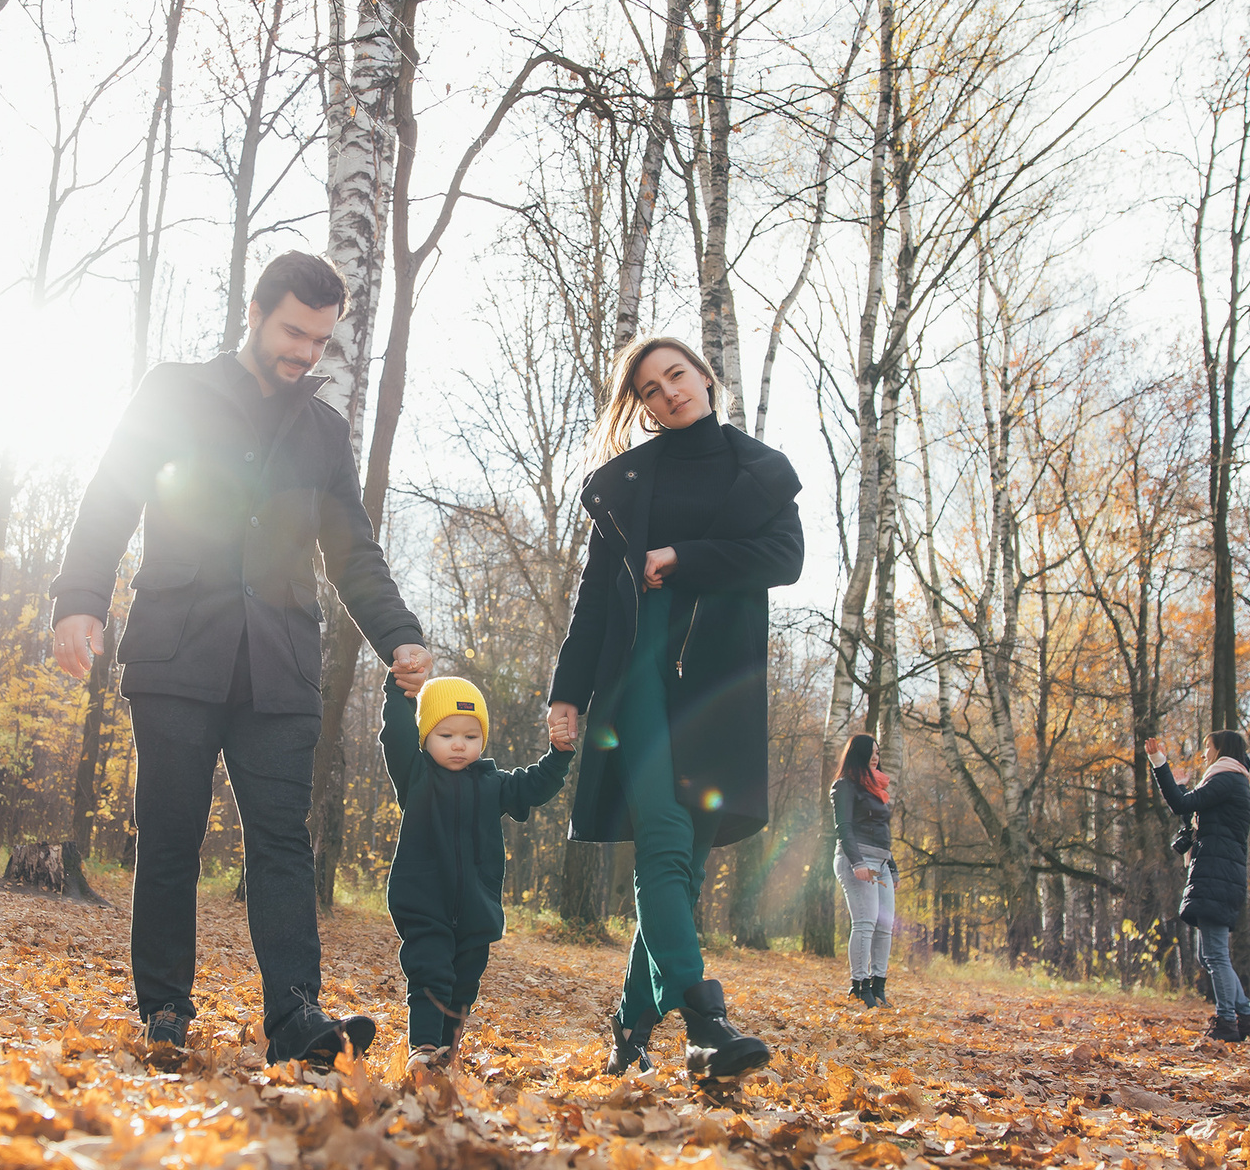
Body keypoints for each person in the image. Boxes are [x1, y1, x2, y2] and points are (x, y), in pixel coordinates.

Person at [51, 251, 434, 1070]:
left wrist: (398, 633)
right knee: (170, 836)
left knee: (283, 843)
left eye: (321, 340)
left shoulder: (324, 432)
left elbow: (353, 552)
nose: (306, 351)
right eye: (294, 331)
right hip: (178, 649)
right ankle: (164, 1007)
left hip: (279, 664)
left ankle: (296, 1015)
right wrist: (79, 598)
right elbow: (113, 492)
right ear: (256, 313)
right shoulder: (174, 390)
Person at [547, 337, 804, 1079]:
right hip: (639, 676)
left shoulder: (759, 470)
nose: (669, 394)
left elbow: (784, 559)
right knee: (661, 839)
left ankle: (631, 1027)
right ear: (644, 408)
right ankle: (705, 1018)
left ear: (704, 376)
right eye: (651, 391)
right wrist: (568, 692)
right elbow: (595, 599)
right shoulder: (627, 484)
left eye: (677, 376)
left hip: (719, 688)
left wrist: (684, 558)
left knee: (683, 872)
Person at [378, 673, 573, 1071]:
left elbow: (534, 786)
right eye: (446, 734)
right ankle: (423, 1048)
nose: (458, 744)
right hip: (423, 901)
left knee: (464, 983)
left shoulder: (493, 783)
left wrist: (558, 755)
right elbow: (395, 734)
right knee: (430, 972)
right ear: (425, 738)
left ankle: (445, 1054)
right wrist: (399, 690)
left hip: (476, 908)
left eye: (470, 736)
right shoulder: (416, 776)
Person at [1144, 729, 1250, 1043]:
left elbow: (1181, 805)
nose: (1205, 753)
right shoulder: (1230, 780)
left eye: (1208, 747)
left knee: (1216, 956)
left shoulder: (1227, 778)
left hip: (1217, 874)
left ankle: (1227, 1022)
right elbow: (1194, 812)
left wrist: (1159, 763)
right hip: (1218, 873)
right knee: (1208, 956)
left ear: (1222, 749)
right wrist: (1182, 786)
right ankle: (1246, 1018)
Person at [832, 732, 895, 1009]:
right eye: (871, 752)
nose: (876, 757)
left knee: (885, 927)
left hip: (882, 863)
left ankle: (879, 986)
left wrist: (892, 867)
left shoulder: (877, 788)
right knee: (865, 923)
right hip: (856, 860)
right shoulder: (844, 786)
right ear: (859, 754)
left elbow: (883, 831)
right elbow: (844, 828)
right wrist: (857, 862)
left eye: (878, 753)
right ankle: (860, 985)